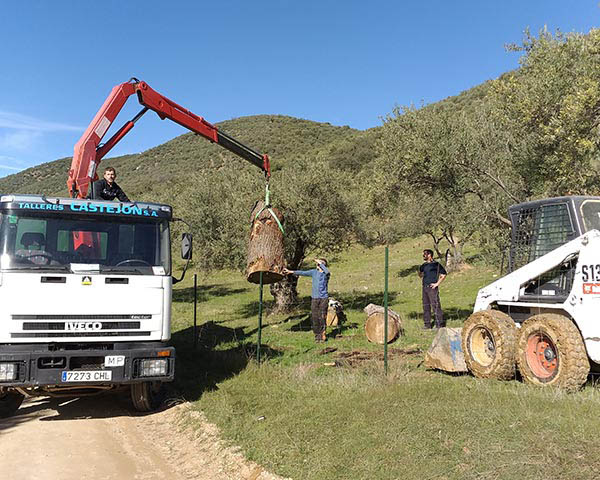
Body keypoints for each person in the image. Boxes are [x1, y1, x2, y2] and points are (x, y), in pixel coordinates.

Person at [283, 258, 330, 343]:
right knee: (315, 317)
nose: (318, 265)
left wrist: (321, 263)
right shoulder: (313, 272)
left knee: (322, 316)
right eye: (318, 264)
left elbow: (327, 271)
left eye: (320, 264)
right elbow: (303, 272)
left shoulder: (326, 274)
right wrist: (291, 272)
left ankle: (323, 333)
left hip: (323, 298)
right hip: (314, 298)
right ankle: (317, 336)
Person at [418, 249, 447, 329]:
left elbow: (443, 274)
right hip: (425, 287)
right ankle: (427, 324)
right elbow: (420, 273)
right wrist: (422, 277)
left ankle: (439, 325)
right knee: (426, 306)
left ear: (429, 255)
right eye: (423, 254)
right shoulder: (423, 265)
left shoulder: (436, 264)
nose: (423, 256)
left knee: (435, 305)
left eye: (425, 254)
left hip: (432, 288)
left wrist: (437, 284)